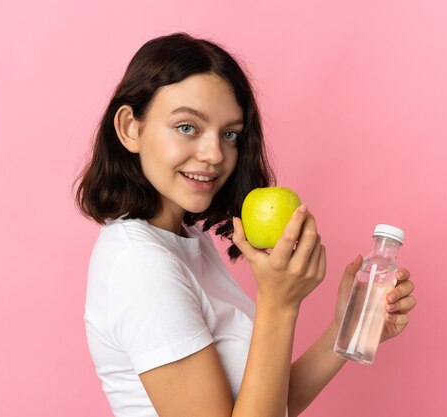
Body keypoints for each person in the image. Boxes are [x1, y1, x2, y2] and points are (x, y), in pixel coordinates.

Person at [75, 33, 416, 417]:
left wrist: (345, 328)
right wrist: (278, 304)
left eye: (230, 134)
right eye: (187, 127)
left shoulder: (187, 239)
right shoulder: (141, 265)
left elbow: (267, 405)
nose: (214, 154)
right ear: (129, 128)